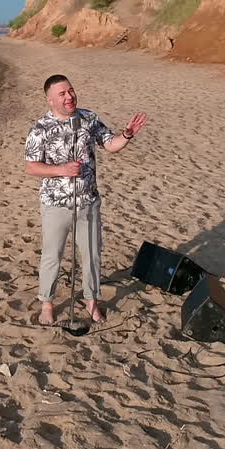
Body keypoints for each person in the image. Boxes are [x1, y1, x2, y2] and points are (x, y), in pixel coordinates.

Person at [24, 74, 148, 326]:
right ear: (50, 100)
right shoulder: (40, 128)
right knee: (52, 255)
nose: (69, 97)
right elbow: (31, 167)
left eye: (70, 91)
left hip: (89, 202)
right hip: (55, 204)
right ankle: (47, 303)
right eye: (62, 94)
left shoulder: (88, 118)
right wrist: (61, 170)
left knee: (91, 254)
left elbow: (110, 144)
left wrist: (127, 135)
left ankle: (92, 300)